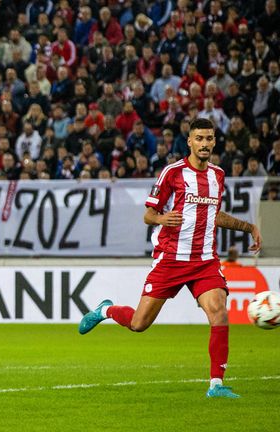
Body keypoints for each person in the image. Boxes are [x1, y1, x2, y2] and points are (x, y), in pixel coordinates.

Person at [78, 118, 262, 399]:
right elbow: (148, 215)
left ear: (214, 141)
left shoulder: (218, 175)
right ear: (189, 141)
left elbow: (214, 215)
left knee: (219, 312)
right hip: (171, 259)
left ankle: (216, 384)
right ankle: (106, 310)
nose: (204, 143)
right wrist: (163, 217)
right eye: (199, 138)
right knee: (139, 324)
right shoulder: (172, 173)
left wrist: (248, 227)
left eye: (209, 138)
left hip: (204, 260)